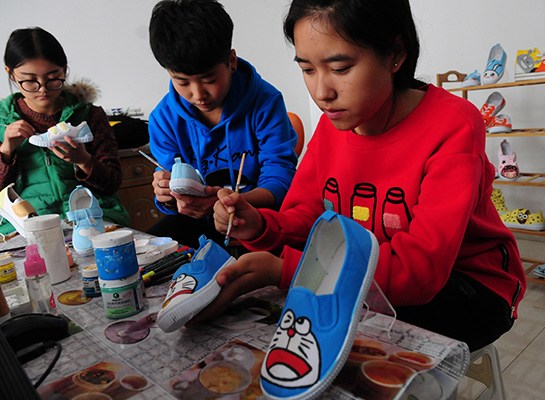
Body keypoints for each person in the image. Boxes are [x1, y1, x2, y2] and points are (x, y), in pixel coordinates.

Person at [201, 0, 527, 352]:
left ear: (395, 54)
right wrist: (262, 227)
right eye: (308, 70)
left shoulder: (453, 126)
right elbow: (307, 218)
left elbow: (419, 272)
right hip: (375, 276)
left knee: (345, 346)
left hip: (468, 288)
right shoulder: (332, 126)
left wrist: (288, 271)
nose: (322, 92)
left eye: (340, 68)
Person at [147, 0, 298, 249]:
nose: (198, 94)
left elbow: (281, 179)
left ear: (231, 61)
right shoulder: (163, 119)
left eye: (209, 79)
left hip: (257, 217)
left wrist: (233, 204)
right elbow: (173, 195)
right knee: (153, 250)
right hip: (201, 224)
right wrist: (166, 196)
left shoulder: (265, 102)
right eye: (182, 82)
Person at [0, 27, 130, 236]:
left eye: (53, 78)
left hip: (93, 220)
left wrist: (84, 161)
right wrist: (6, 151)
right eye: (29, 80)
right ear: (11, 73)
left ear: (64, 70)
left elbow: (112, 183)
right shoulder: (1, 122)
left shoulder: (89, 115)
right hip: (27, 230)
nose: (42, 89)